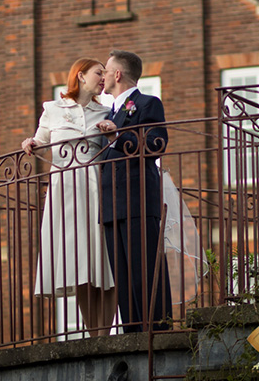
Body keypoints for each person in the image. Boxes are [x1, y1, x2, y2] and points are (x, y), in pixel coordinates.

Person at [21, 58, 116, 337]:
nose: (103, 77)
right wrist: (31, 144)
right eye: (98, 73)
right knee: (80, 262)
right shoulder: (53, 108)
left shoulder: (106, 111)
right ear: (81, 75)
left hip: (96, 188)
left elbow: (115, 150)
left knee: (103, 261)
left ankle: (104, 335)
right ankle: (94, 335)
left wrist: (112, 135)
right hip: (64, 192)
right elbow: (40, 143)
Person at [96, 50, 172, 332]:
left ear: (117, 74)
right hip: (111, 205)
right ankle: (132, 335)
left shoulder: (147, 103)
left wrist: (118, 136)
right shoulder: (108, 112)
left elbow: (157, 144)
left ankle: (158, 332)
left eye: (106, 71)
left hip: (138, 200)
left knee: (146, 272)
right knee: (124, 278)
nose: (102, 76)